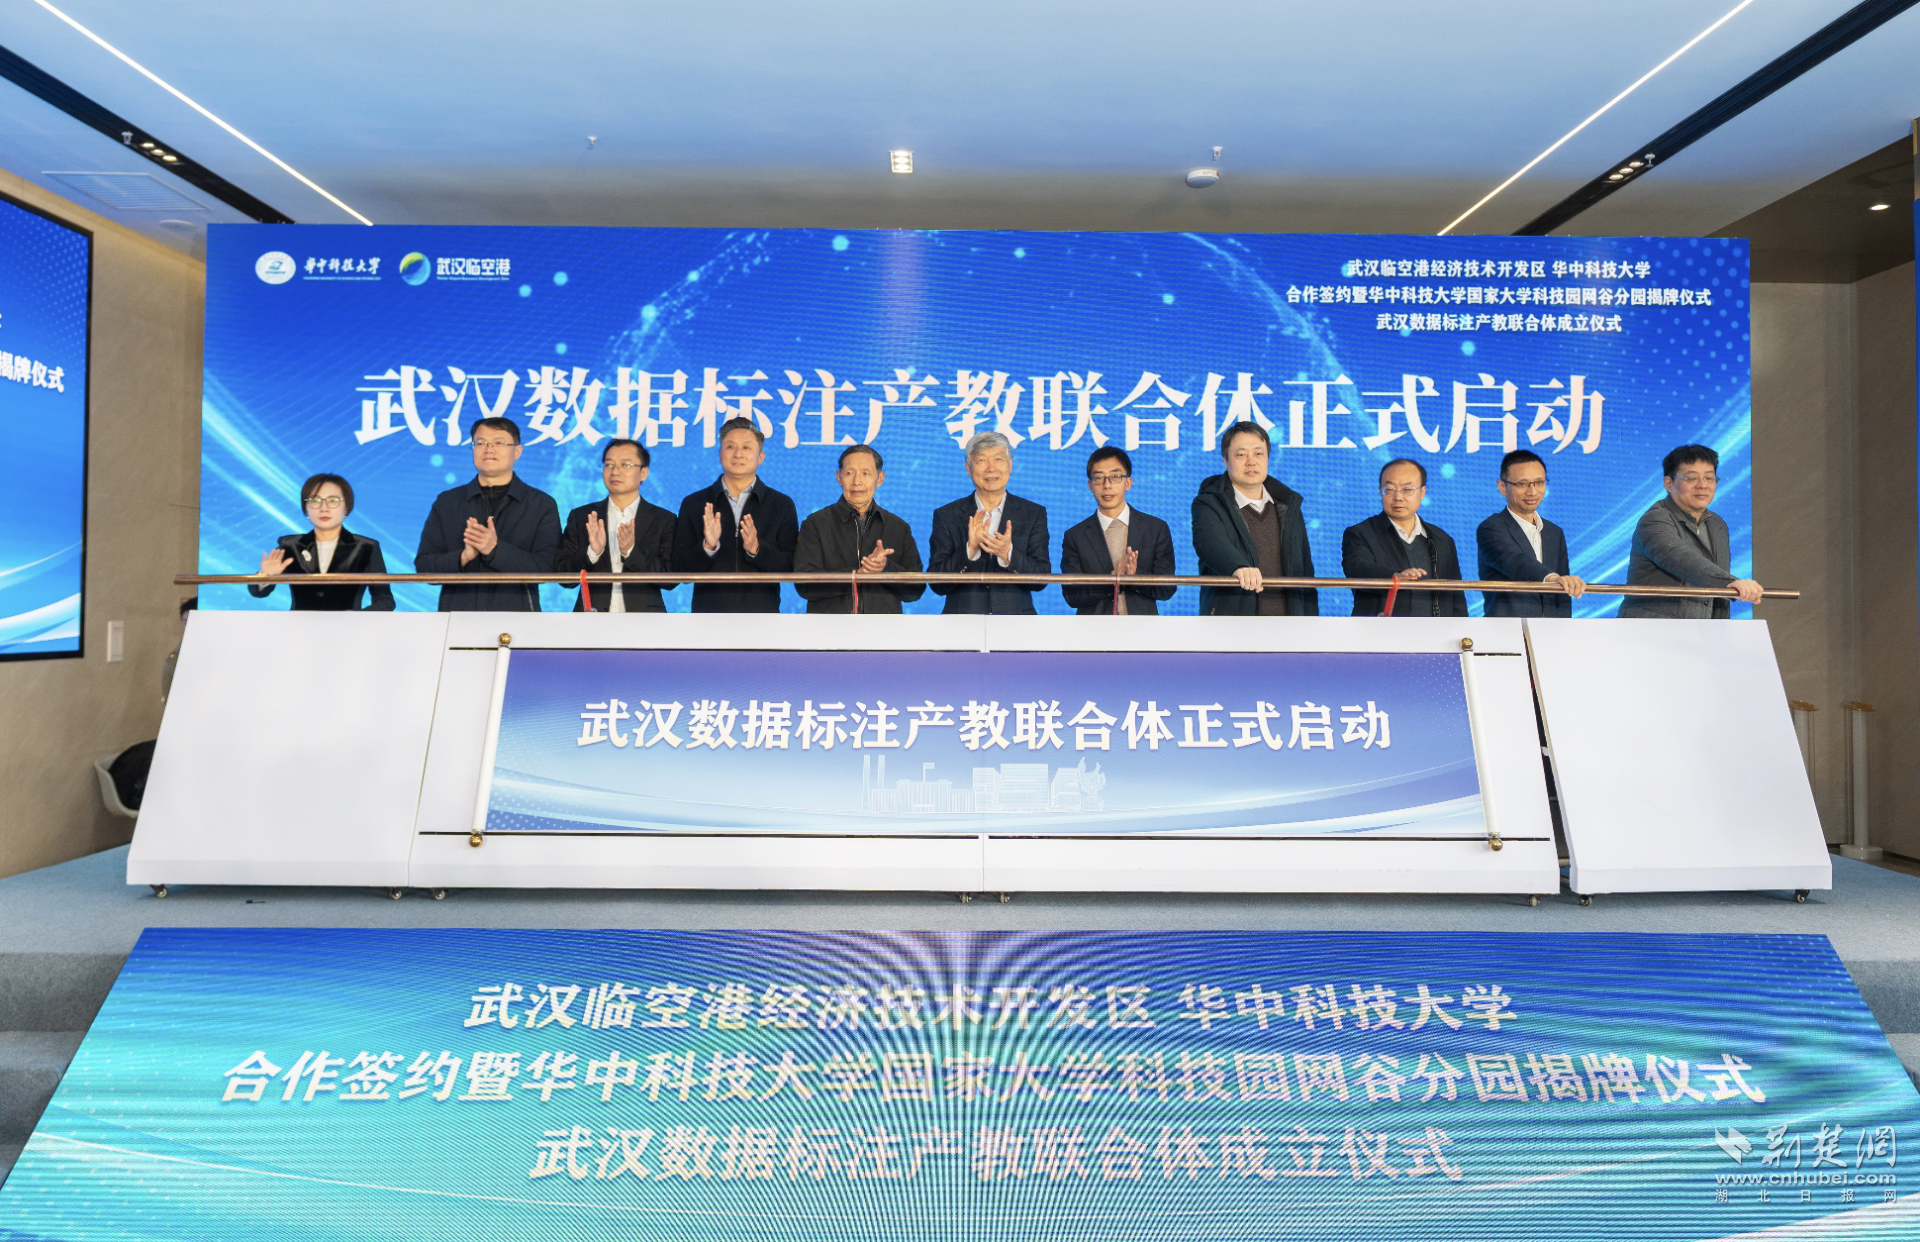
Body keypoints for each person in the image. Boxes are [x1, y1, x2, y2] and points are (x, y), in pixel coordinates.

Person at [415, 417, 563, 612]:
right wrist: (463, 557)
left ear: (517, 451)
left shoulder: (541, 504)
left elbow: (548, 568)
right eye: (480, 443)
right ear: (472, 449)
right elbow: (424, 567)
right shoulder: (447, 502)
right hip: (458, 617)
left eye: (499, 443)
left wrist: (495, 550)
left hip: (518, 618)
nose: (488, 449)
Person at [670, 416, 799, 613]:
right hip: (707, 616)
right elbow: (681, 572)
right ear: (720, 454)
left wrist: (757, 549)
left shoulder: (781, 504)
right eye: (730, 447)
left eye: (746, 447)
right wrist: (707, 546)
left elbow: (790, 568)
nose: (738, 454)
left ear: (761, 457)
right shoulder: (694, 503)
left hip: (763, 616)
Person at [1619, 444, 1762, 618]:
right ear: (1669, 483)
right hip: (1651, 630)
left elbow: (1717, 599)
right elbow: (1678, 557)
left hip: (1702, 632)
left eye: (1709, 478)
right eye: (1691, 478)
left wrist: (1721, 630)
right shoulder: (1654, 519)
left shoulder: (1717, 524)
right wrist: (1728, 582)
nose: (1702, 485)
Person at [1190, 421, 1318, 616]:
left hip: (1289, 624)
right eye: (1241, 455)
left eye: (1258, 453)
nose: (1251, 462)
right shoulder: (1208, 503)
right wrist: (1238, 566)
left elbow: (1305, 571)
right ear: (1225, 460)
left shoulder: (1288, 506)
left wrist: (1310, 620)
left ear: (1267, 458)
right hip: (1232, 622)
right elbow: (1209, 544)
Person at [927, 431, 1050, 614]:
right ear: (968, 468)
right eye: (981, 460)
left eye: (998, 459)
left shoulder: (1033, 513)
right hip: (962, 623)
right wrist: (969, 550)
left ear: (1010, 464)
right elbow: (937, 583)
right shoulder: (947, 515)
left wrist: (1008, 554)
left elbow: (1042, 579)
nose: (991, 468)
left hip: (1016, 622)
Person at [793, 444, 925, 614]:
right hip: (829, 627)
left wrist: (885, 568)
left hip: (883, 628)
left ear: (880, 478)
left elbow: (916, 590)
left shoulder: (898, 527)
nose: (857, 482)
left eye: (865, 473)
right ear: (839, 477)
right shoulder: (815, 524)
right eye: (849, 473)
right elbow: (804, 585)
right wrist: (854, 576)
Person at [555, 438, 676, 613]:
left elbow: (671, 579)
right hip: (591, 618)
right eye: (609, 465)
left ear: (643, 473)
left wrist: (631, 551)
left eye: (625, 465)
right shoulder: (582, 517)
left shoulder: (663, 519)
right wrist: (592, 553)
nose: (615, 471)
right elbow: (563, 577)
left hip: (645, 620)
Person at [249, 473, 396, 612]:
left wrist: (358, 616)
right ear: (306, 509)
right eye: (315, 500)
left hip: (348, 627)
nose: (323, 508)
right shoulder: (290, 545)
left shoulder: (367, 547)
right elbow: (257, 591)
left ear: (346, 507)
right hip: (300, 626)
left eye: (333, 501)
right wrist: (265, 577)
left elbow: (385, 600)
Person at [1059, 446, 1177, 615]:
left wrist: (1134, 576)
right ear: (1090, 485)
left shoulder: (1155, 529)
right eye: (1099, 478)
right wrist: (1113, 578)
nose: (1107, 485)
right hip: (1094, 629)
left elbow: (1167, 589)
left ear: (1128, 483)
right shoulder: (1075, 536)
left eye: (1115, 477)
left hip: (1143, 628)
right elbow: (1072, 595)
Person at [1343, 458, 1467, 617]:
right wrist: (1395, 578)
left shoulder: (1442, 539)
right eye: (1389, 489)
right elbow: (1358, 569)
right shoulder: (1360, 533)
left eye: (1407, 489)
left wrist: (1461, 627)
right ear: (1380, 491)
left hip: (1437, 630)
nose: (1398, 497)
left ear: (1422, 492)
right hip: (1380, 629)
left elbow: (1456, 596)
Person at [1475, 449, 1585, 617]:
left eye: (1539, 482)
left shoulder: (1554, 532)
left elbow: (1562, 595)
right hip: (1506, 629)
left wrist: (1564, 627)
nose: (1532, 492)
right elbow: (1514, 561)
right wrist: (1551, 578)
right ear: (1502, 487)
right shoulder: (1490, 528)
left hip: (1551, 630)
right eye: (1522, 484)